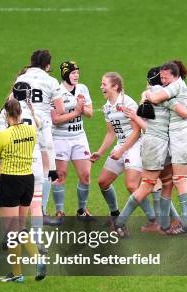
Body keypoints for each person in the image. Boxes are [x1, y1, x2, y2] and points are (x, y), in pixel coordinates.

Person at [112, 67, 187, 235]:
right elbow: (183, 112)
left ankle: (160, 225)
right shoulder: (166, 95)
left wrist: (145, 94)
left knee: (155, 184)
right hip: (160, 144)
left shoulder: (148, 94)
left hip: (152, 144)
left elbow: (143, 110)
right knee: (163, 184)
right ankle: (177, 224)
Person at [144, 61, 187, 233]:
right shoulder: (176, 86)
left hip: (182, 138)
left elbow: (161, 101)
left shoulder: (175, 86)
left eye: (166, 77)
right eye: (161, 78)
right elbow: (184, 109)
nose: (163, 80)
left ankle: (184, 223)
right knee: (179, 179)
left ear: (175, 76)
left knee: (180, 180)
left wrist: (148, 93)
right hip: (175, 140)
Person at [90, 72, 156, 228]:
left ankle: (154, 220)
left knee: (132, 185)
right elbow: (111, 133)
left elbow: (136, 131)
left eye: (104, 84)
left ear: (115, 86)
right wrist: (100, 152)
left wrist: (122, 151)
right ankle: (115, 214)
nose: (101, 87)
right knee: (103, 182)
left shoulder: (127, 103)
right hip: (121, 146)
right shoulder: (107, 107)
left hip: (135, 146)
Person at [0, 99, 40, 282]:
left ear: (7, 116)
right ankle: (18, 273)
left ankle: (33, 262)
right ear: (21, 113)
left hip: (10, 181)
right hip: (28, 180)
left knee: (11, 230)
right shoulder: (31, 130)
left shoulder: (3, 135)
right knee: (20, 226)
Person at [14, 50, 68, 214]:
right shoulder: (51, 81)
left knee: (14, 170)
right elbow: (61, 109)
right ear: (48, 65)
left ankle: (8, 214)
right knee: (44, 172)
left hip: (19, 128)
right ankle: (40, 212)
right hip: (40, 128)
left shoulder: (21, 78)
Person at [51, 60, 94, 219]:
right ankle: (60, 211)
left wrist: (82, 108)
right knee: (60, 175)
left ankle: (82, 210)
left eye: (77, 72)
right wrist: (76, 111)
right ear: (65, 74)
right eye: (73, 72)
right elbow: (56, 120)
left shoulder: (82, 89)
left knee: (86, 176)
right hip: (60, 139)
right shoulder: (56, 91)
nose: (77, 75)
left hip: (79, 138)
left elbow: (90, 113)